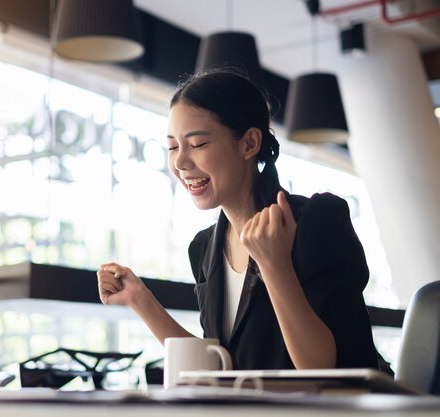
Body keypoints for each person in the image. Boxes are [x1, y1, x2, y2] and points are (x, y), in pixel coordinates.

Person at [97, 68, 379, 371]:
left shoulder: (315, 221)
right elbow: (219, 367)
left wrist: (274, 264)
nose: (180, 162)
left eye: (197, 144)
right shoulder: (204, 247)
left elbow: (324, 370)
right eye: (173, 147)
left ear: (248, 144)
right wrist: (140, 300)